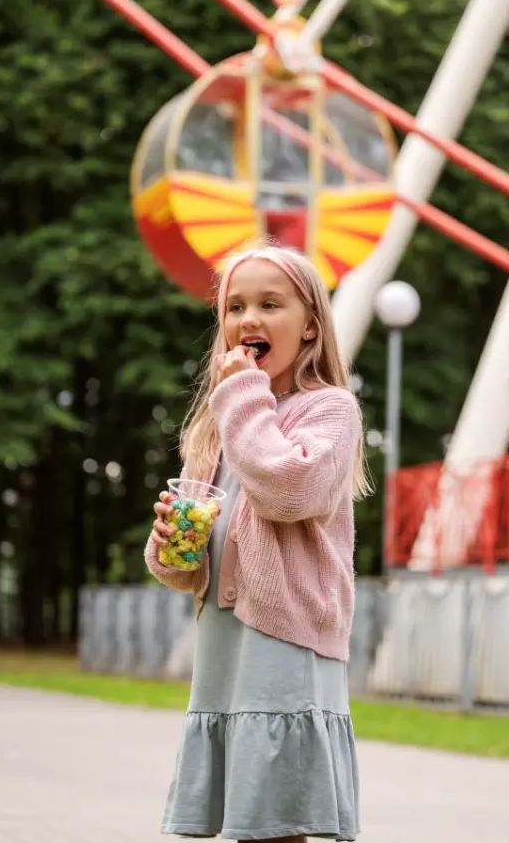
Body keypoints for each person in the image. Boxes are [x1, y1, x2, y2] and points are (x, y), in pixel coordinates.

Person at [144, 243, 370, 843]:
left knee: (277, 817)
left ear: (310, 325)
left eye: (271, 305)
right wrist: (171, 546)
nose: (249, 320)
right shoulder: (218, 424)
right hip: (226, 633)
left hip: (287, 630)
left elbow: (288, 492)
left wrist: (242, 395)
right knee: (248, 815)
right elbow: (193, 560)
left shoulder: (330, 410)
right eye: (235, 307)